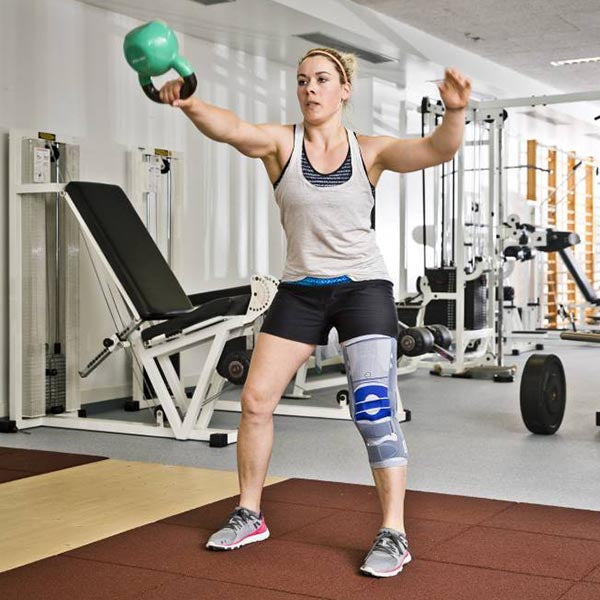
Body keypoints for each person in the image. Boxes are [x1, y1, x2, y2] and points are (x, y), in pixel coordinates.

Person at [159, 47, 470, 578]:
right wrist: (190, 103)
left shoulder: (369, 151)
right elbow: (232, 129)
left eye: (322, 79)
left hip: (362, 288)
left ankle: (394, 532)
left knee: (373, 409)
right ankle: (250, 513)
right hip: (301, 289)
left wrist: (456, 112)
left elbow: (437, 149)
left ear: (344, 89)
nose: (310, 89)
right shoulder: (282, 145)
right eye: (302, 80)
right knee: (255, 400)